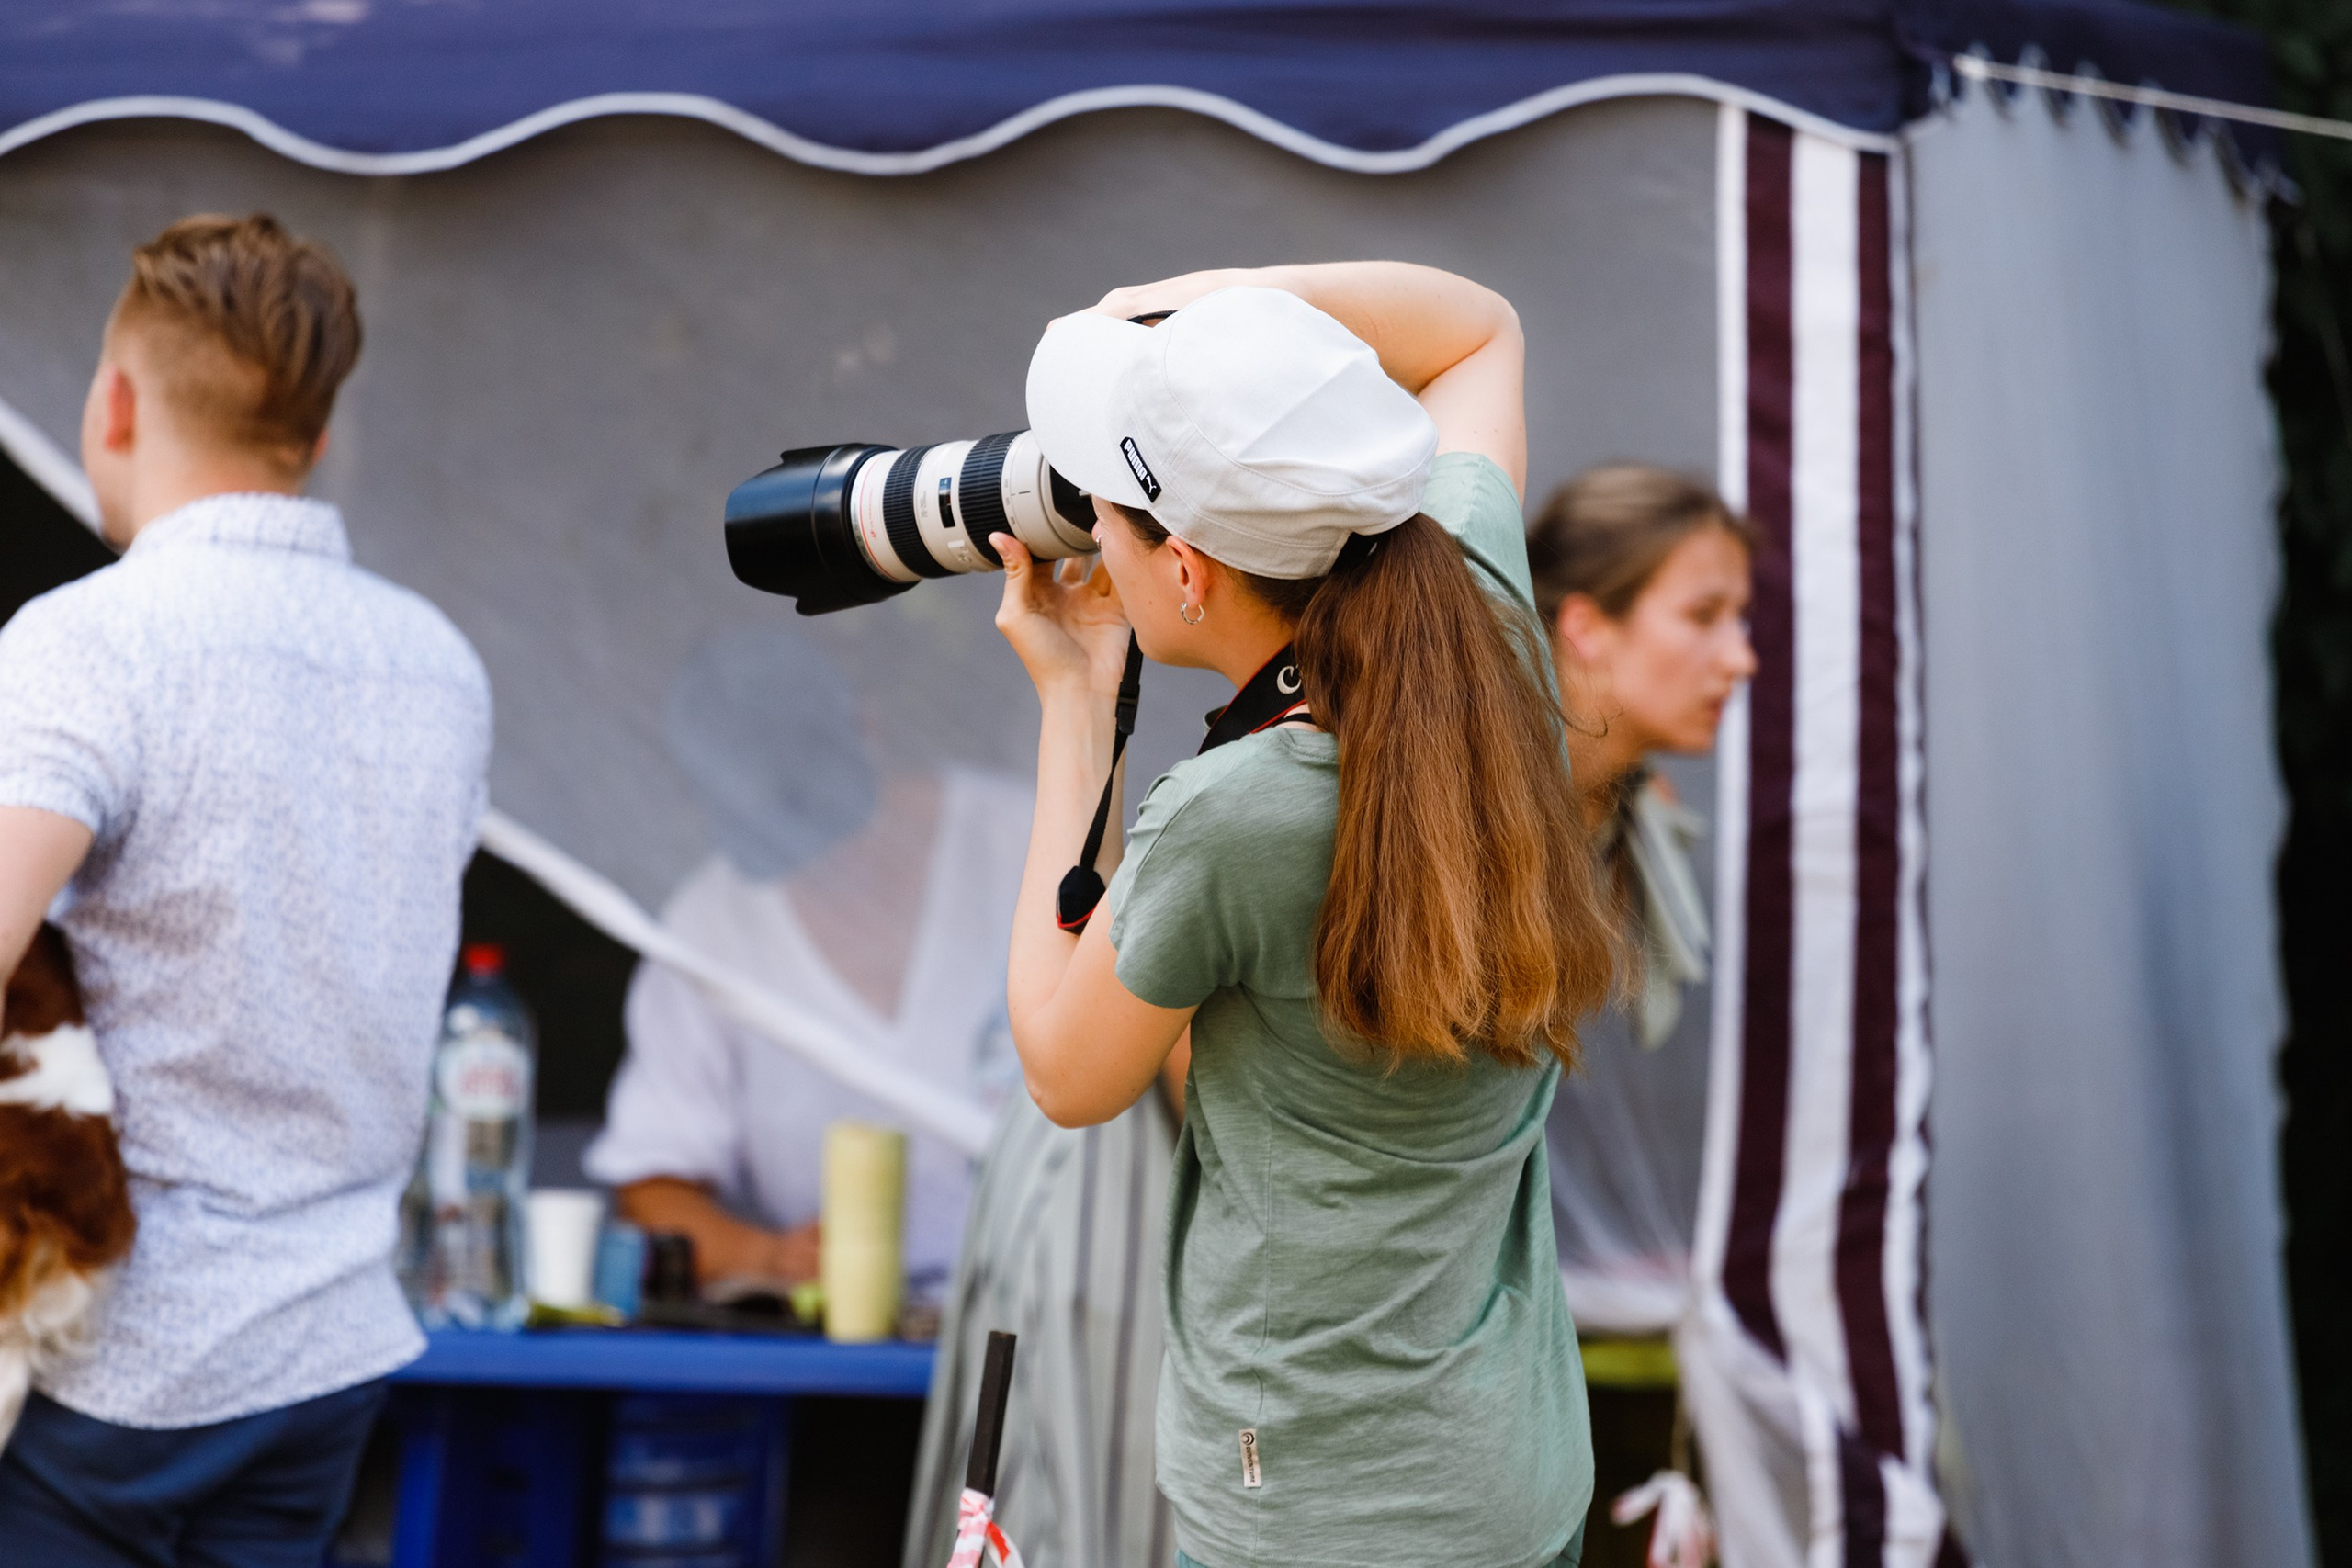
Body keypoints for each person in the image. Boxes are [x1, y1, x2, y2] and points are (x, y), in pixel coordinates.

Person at [991, 262, 1618, 1568]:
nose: (1085, 528)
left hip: (1316, 1509)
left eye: (1104, 510)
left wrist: (1073, 701)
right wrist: (1166, 317)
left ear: (1184, 571)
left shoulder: (1238, 813)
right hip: (1513, 1479)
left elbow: (1063, 1069)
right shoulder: (1479, 623)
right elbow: (1478, 326)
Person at [0, 215, 491, 1563]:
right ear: (313, 439)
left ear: (113, 403)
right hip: (327, 1349)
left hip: (113, 1353)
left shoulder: (87, 646)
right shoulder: (439, 666)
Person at [586, 625, 1031, 1299]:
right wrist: (770, 1255)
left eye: (805, 795)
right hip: (842, 1340)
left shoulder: (1027, 844)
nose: (791, 833)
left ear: (866, 729)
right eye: (756, 813)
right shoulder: (709, 925)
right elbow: (652, 1182)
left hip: (1062, 1316)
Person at [1529, 466, 1757, 1333]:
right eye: (1703, 616)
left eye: (1740, 618)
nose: (1740, 657)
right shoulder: (1450, 798)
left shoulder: (1620, 805)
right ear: (1586, 625)